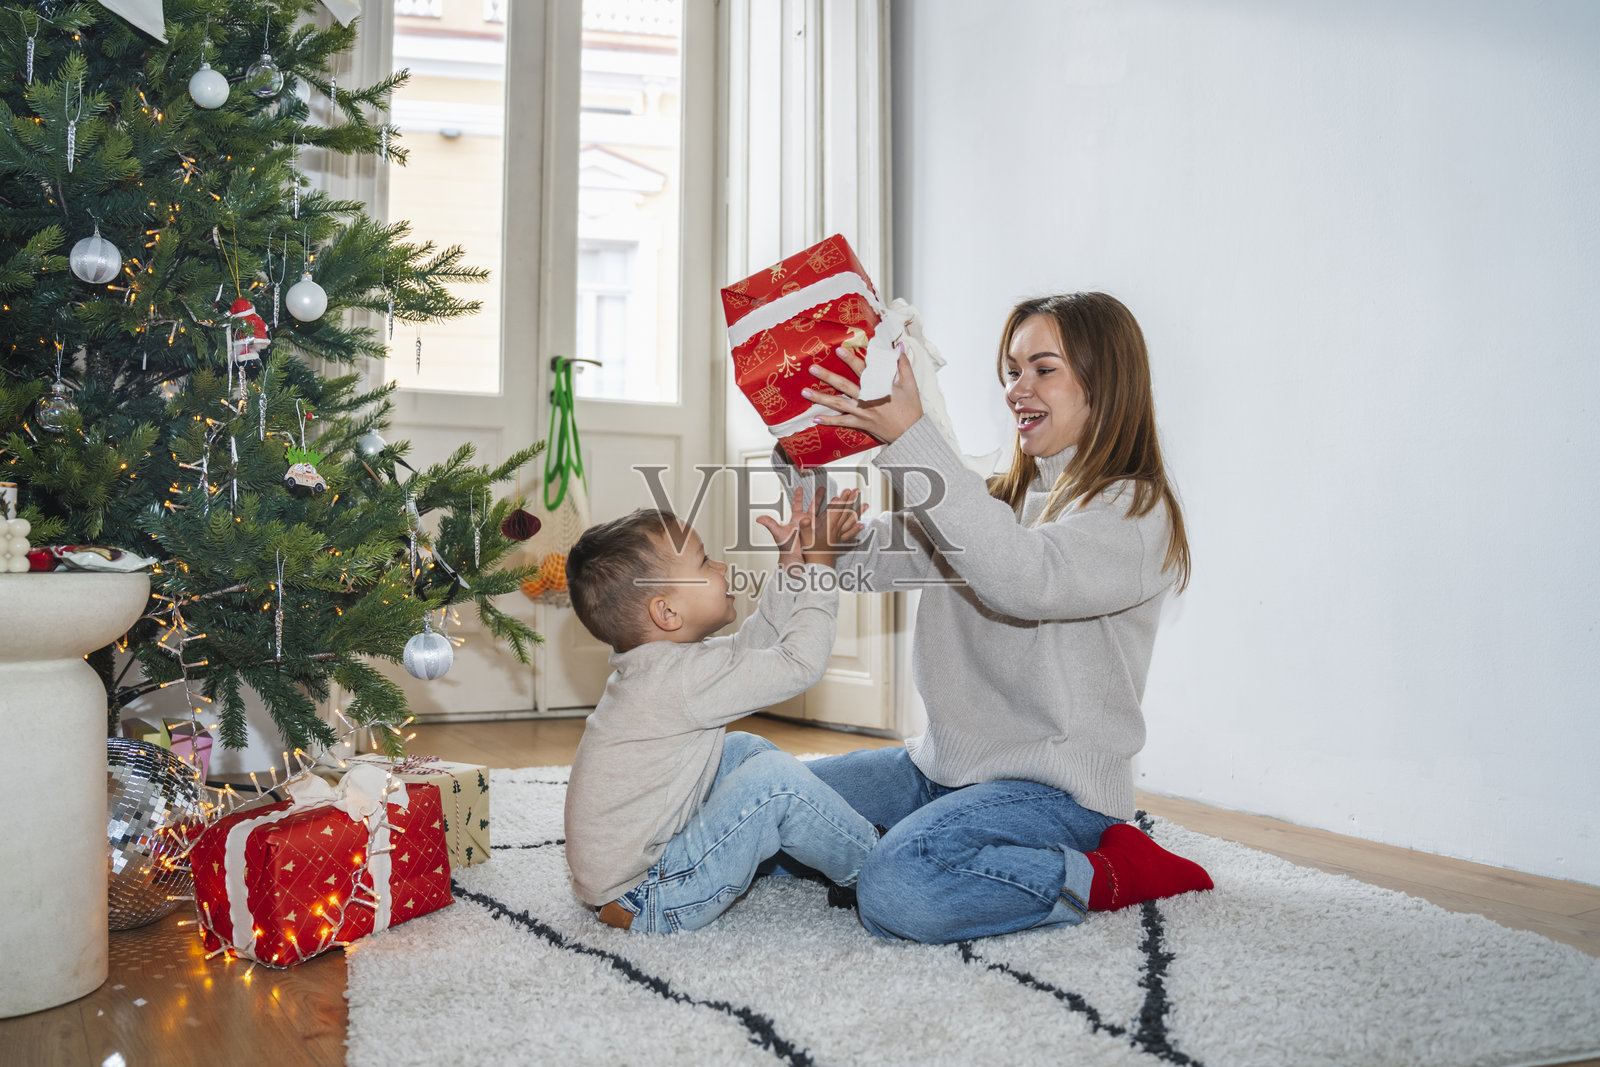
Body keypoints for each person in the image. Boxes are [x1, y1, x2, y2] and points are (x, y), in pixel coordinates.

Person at [782, 291, 1213, 943]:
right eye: (1012, 370)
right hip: (940, 772)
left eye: (1043, 368)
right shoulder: (994, 501)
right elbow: (869, 561)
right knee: (772, 798)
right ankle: (905, 842)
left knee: (897, 889)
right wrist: (802, 460)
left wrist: (910, 437)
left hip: (1054, 794)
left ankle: (1106, 871)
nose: (1018, 388)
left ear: (1107, 381)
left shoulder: (1135, 512)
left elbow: (1024, 577)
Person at [562, 488, 879, 933]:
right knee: (773, 784)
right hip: (649, 894)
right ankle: (875, 864)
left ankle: (822, 837)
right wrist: (821, 569)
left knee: (745, 751)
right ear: (667, 612)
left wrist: (792, 568)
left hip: (637, 876)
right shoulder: (681, 679)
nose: (722, 567)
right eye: (705, 563)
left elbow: (754, 651)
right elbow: (798, 664)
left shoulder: (663, 666)